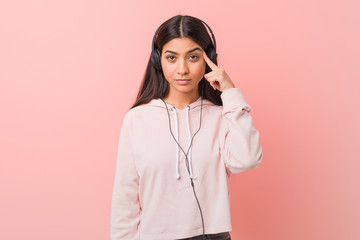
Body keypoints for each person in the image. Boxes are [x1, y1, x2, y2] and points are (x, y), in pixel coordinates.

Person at [110, 14, 263, 240]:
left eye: (193, 57)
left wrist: (231, 94)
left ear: (209, 59)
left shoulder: (222, 115)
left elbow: (247, 159)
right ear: (158, 60)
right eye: (171, 58)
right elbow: (125, 198)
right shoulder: (138, 119)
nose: (182, 69)